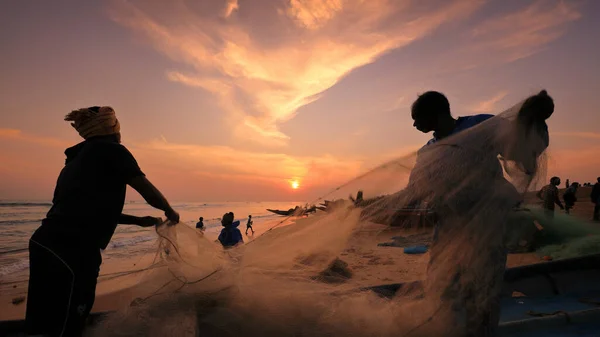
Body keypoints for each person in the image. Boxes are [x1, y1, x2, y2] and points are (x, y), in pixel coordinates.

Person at [405, 90, 552, 336]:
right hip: (449, 230)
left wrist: (531, 120)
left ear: (436, 113)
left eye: (418, 118)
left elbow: (519, 149)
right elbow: (417, 190)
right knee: (442, 284)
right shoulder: (427, 152)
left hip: (486, 227)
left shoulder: (479, 127)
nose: (414, 124)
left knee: (483, 287)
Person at [25, 106, 180, 337]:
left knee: (43, 318)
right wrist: (169, 210)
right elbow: (147, 191)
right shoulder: (113, 151)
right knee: (71, 318)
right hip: (72, 249)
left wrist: (138, 221)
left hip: (43, 244)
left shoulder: (73, 162)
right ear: (113, 129)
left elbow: (81, 209)